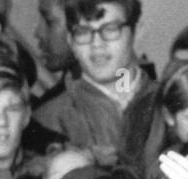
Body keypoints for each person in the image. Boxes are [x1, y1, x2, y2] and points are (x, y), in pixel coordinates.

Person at [35, 0, 155, 162]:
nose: (97, 44)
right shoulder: (49, 121)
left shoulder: (166, 102)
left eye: (111, 29)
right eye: (83, 32)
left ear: (137, 32)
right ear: (71, 40)